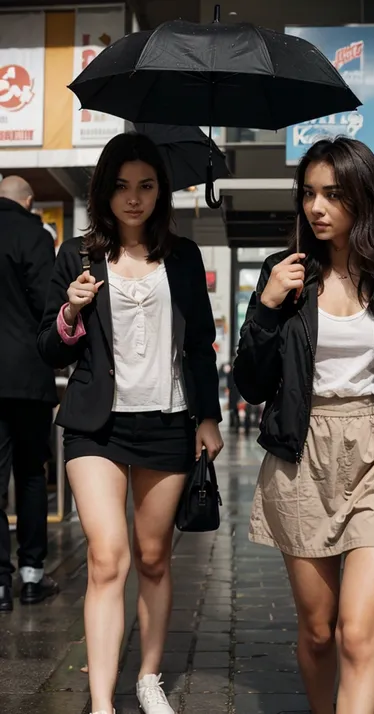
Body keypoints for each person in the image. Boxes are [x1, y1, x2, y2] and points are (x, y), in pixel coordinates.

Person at [233, 137, 374, 714]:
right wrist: (268, 307)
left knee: (357, 630)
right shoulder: (286, 278)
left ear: (362, 197)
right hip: (303, 453)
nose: (316, 208)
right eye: (308, 194)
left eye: (332, 194)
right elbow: (248, 385)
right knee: (319, 631)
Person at [37, 133, 223, 714]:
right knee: (107, 556)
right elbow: (51, 348)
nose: (133, 198)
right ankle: (100, 702)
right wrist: (71, 309)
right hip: (97, 425)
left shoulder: (185, 256)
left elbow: (200, 345)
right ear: (104, 191)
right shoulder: (78, 256)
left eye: (145, 186)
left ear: (161, 191)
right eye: (121, 187)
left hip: (168, 423)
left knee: (153, 558)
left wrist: (209, 415)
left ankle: (147, 677)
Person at [0, 176, 59, 612]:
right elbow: (47, 303)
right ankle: (33, 576)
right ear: (29, 200)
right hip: (29, 375)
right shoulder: (35, 236)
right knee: (32, 474)